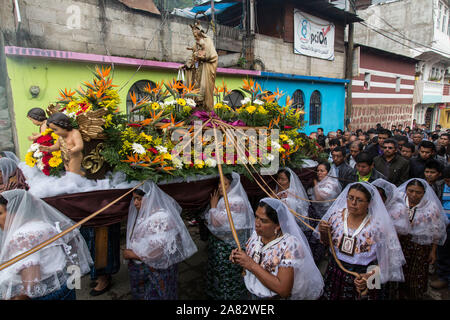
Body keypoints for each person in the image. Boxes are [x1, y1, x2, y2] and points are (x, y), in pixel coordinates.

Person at [317, 182, 405, 300]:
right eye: (350, 198)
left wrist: (368, 277)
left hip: (364, 274)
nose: (353, 203)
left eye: (359, 200)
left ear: (369, 203)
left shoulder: (378, 227)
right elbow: (327, 244)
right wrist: (323, 232)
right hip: (336, 269)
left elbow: (388, 258)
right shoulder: (336, 218)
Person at [0, 190, 92, 300]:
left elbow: (31, 285)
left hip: (47, 296)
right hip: (65, 288)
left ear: (18, 212)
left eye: (0, 213)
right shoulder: (43, 225)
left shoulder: (21, 238)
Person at [230, 198, 324, 300]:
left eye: (263, 221)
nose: (257, 223)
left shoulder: (289, 245)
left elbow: (283, 290)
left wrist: (250, 264)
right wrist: (240, 257)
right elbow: (256, 257)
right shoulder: (256, 235)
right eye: (256, 217)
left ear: (278, 224)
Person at [124, 182, 198, 300]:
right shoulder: (147, 213)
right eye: (134, 199)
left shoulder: (161, 218)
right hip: (148, 267)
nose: (135, 203)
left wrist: (132, 254)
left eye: (138, 199)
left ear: (150, 198)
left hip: (157, 270)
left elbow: (159, 251)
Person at [204, 172, 254, 299]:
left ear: (233, 185)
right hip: (229, 244)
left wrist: (213, 207)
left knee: (226, 274)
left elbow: (217, 223)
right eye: (219, 183)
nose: (220, 186)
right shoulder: (230, 198)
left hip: (227, 246)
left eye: (224, 183)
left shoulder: (233, 201)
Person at [396, 179, 448, 299]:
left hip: (420, 246)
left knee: (416, 275)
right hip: (400, 243)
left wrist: (433, 251)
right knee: (400, 272)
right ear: (406, 190)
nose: (414, 195)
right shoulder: (399, 202)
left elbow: (436, 231)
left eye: (418, 192)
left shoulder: (431, 207)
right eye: (411, 191)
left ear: (424, 193)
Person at [307, 162, 342, 264]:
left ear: (328, 172)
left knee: (321, 239)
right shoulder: (321, 182)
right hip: (315, 215)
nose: (319, 173)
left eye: (322, 171)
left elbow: (319, 197)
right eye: (317, 171)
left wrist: (315, 184)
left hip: (326, 216)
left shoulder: (332, 184)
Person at [430, 167, 450, 290]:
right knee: (443, 253)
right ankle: (444, 278)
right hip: (443, 225)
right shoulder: (439, 186)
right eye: (447, 181)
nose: (449, 183)